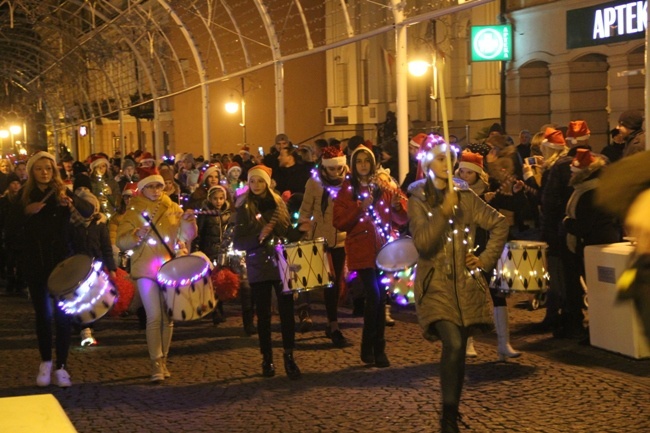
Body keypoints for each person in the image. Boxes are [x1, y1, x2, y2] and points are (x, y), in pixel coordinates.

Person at [407, 135, 509, 432]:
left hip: (465, 285)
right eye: (439, 158)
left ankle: (451, 406)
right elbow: (424, 244)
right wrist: (443, 211)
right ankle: (448, 418)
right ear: (427, 161)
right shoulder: (418, 199)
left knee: (460, 347)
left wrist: (485, 259)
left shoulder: (465, 196)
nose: (447, 164)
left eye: (449, 158)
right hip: (435, 284)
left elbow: (499, 224)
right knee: (452, 342)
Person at [10, 151, 95, 388]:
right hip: (36, 263)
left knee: (62, 316)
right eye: (39, 168)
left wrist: (72, 202)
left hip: (62, 264)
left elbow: (88, 211)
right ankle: (46, 362)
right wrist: (26, 212)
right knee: (44, 316)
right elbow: (9, 226)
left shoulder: (61, 192)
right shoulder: (24, 197)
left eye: (48, 168)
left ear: (54, 170)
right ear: (32, 171)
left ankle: (62, 366)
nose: (45, 172)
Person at [116, 173, 197, 382]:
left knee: (168, 317)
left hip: (168, 267)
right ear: (142, 189)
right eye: (150, 186)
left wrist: (189, 222)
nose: (155, 190)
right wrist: (135, 235)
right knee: (154, 315)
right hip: (144, 268)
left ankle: (164, 359)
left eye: (158, 186)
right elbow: (121, 241)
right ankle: (155, 363)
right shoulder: (133, 210)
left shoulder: (172, 208)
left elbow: (185, 237)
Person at [333, 144, 408, 368]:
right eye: (359, 161)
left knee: (379, 298)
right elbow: (339, 222)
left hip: (383, 250)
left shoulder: (383, 186)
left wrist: (397, 208)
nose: (363, 165)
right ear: (353, 165)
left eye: (367, 161)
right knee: (374, 296)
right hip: (361, 250)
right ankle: (374, 347)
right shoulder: (348, 189)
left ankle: (373, 350)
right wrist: (359, 208)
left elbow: (401, 221)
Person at [232, 164, 301, 379]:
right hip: (258, 264)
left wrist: (300, 231)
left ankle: (289, 356)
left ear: (267, 183)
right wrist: (257, 238)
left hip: (281, 262)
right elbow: (238, 242)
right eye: (252, 181)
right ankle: (267, 358)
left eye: (260, 181)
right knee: (263, 315)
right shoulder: (244, 209)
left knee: (287, 313)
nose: (256, 185)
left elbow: (287, 232)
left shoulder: (279, 205)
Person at [455, 150, 521, 360]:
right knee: (470, 298)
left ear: (478, 175)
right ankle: (468, 342)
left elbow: (513, 210)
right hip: (468, 251)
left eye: (469, 173)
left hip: (492, 251)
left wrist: (514, 193)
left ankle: (504, 344)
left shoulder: (492, 192)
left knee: (498, 295)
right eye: (462, 172)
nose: (464, 176)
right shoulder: (455, 194)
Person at [297, 145, 350, 347]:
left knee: (339, 284)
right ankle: (333, 324)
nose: (335, 172)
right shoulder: (314, 183)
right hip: (322, 239)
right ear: (325, 168)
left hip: (344, 239)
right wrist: (304, 230)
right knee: (331, 281)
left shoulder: (349, 183)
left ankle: (331, 321)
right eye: (332, 169)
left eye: (339, 168)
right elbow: (305, 210)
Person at [69, 177, 118, 347]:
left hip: (95, 265)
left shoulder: (100, 225)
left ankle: (88, 324)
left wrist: (111, 267)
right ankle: (83, 326)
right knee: (79, 298)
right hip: (76, 265)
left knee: (92, 297)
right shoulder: (72, 223)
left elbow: (106, 247)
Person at [196, 185, 233, 324]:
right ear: (210, 199)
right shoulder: (205, 215)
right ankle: (215, 310)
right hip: (209, 252)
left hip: (223, 253)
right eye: (215, 199)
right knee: (212, 282)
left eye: (221, 198)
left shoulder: (227, 213)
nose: (218, 201)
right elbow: (199, 234)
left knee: (222, 281)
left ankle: (220, 307)